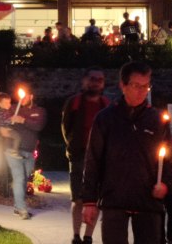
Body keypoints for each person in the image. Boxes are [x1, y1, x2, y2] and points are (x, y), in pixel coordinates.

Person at [82, 61, 171, 244]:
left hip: (148, 201)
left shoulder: (157, 119)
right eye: (136, 85)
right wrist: (89, 201)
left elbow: (168, 160)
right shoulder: (106, 118)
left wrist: (166, 185)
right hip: (114, 199)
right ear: (123, 85)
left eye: (145, 86)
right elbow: (93, 160)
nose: (141, 91)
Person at [61, 67, 110, 244]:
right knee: (78, 198)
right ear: (84, 81)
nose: (95, 82)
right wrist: (72, 147)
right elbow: (65, 127)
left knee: (95, 200)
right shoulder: (73, 103)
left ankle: (88, 236)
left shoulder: (106, 104)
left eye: (99, 79)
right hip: (79, 156)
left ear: (103, 83)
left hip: (100, 159)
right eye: (92, 78)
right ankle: (76, 235)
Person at [1, 83, 47, 219]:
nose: (23, 98)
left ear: (31, 96)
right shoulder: (13, 108)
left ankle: (17, 206)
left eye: (26, 95)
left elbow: (38, 126)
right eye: (21, 95)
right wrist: (9, 122)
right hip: (12, 150)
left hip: (29, 151)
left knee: (24, 178)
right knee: (19, 177)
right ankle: (22, 210)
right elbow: (2, 123)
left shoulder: (40, 111)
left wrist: (22, 120)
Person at [0, 92, 23, 156]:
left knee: (17, 137)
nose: (9, 104)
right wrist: (11, 120)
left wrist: (15, 120)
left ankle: (14, 151)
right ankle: (14, 151)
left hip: (9, 130)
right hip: (6, 130)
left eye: (9, 102)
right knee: (17, 137)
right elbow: (2, 121)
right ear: (0, 104)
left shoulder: (7, 111)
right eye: (6, 103)